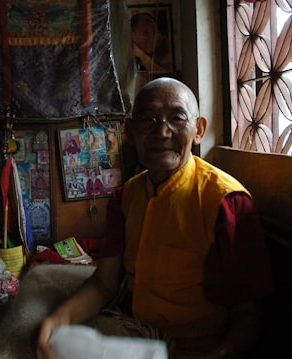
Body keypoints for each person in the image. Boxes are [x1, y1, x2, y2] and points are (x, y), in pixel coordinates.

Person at [37, 78, 273, 359]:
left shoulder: (227, 202)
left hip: (197, 349)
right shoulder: (125, 198)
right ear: (129, 131)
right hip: (131, 337)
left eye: (176, 118)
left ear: (198, 130)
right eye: (148, 120)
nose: (162, 132)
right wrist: (55, 322)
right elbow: (104, 284)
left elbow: (247, 314)